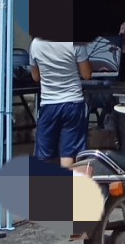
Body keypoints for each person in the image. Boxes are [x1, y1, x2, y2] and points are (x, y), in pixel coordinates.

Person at [30, 22, 92, 167]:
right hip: (73, 103)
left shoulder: (36, 44)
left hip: (49, 104)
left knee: (44, 154)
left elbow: (36, 77)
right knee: (68, 153)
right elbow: (87, 75)